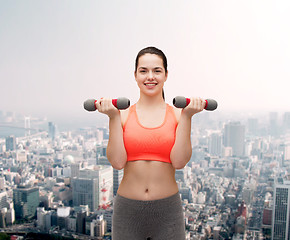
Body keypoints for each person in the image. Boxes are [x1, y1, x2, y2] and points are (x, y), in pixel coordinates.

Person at [96, 46, 205, 240]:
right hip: (128, 210)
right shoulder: (122, 115)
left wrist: (188, 116)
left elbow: (179, 162)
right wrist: (112, 117)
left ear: (166, 75)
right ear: (135, 75)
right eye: (143, 71)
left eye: (157, 70)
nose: (150, 77)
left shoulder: (179, 115)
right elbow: (117, 162)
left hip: (167, 210)